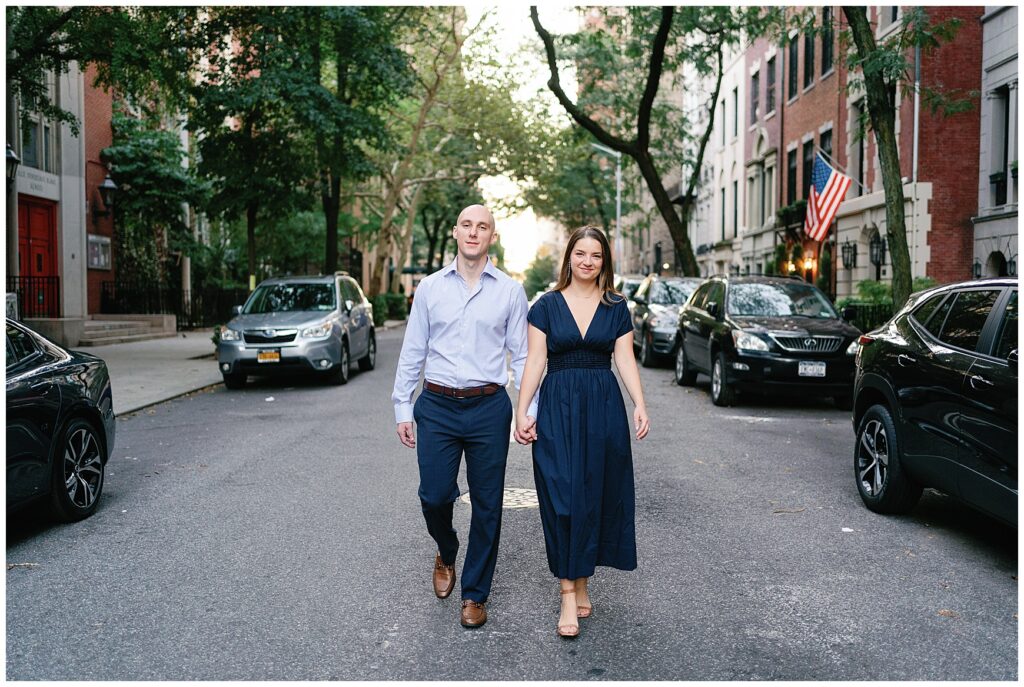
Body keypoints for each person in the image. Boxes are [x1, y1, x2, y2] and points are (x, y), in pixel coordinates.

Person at [392, 204, 536, 629]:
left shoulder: (510, 291)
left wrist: (527, 411)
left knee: (488, 504)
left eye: (483, 227)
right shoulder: (431, 288)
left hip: (489, 406)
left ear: (492, 236)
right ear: (455, 232)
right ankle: (446, 548)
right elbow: (413, 349)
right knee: (433, 495)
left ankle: (475, 593)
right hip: (436, 406)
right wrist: (403, 405)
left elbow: (525, 355)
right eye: (467, 225)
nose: (474, 232)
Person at [515, 225, 649, 638]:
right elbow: (534, 362)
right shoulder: (545, 306)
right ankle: (567, 593)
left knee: (595, 494)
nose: (587, 261)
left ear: (604, 261)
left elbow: (624, 359)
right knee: (562, 497)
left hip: (603, 407)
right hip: (557, 405)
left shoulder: (616, 307)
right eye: (580, 254)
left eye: (595, 255)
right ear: (569, 257)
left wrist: (640, 403)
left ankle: (583, 579)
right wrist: (522, 411)